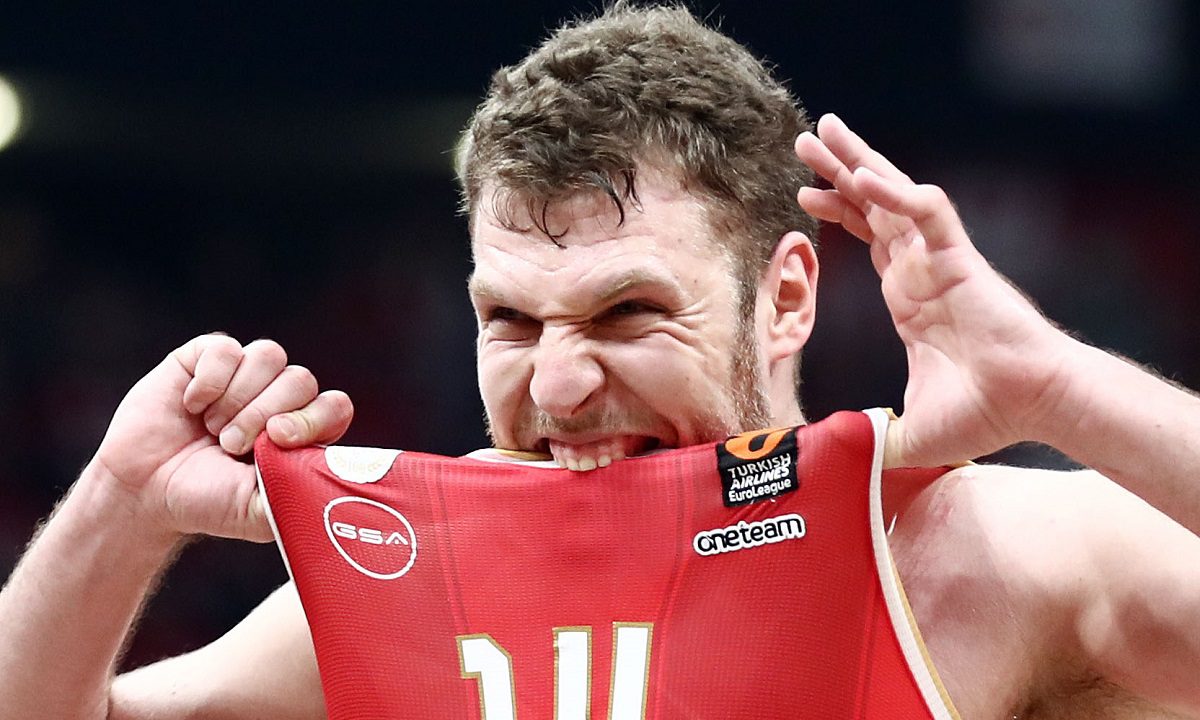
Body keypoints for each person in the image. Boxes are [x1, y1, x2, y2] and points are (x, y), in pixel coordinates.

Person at [3, 4, 1200, 718]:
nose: (559, 386)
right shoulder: (421, 581)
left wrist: (1057, 386)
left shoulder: (973, 552)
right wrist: (117, 509)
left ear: (785, 299)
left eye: (627, 313)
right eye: (511, 322)